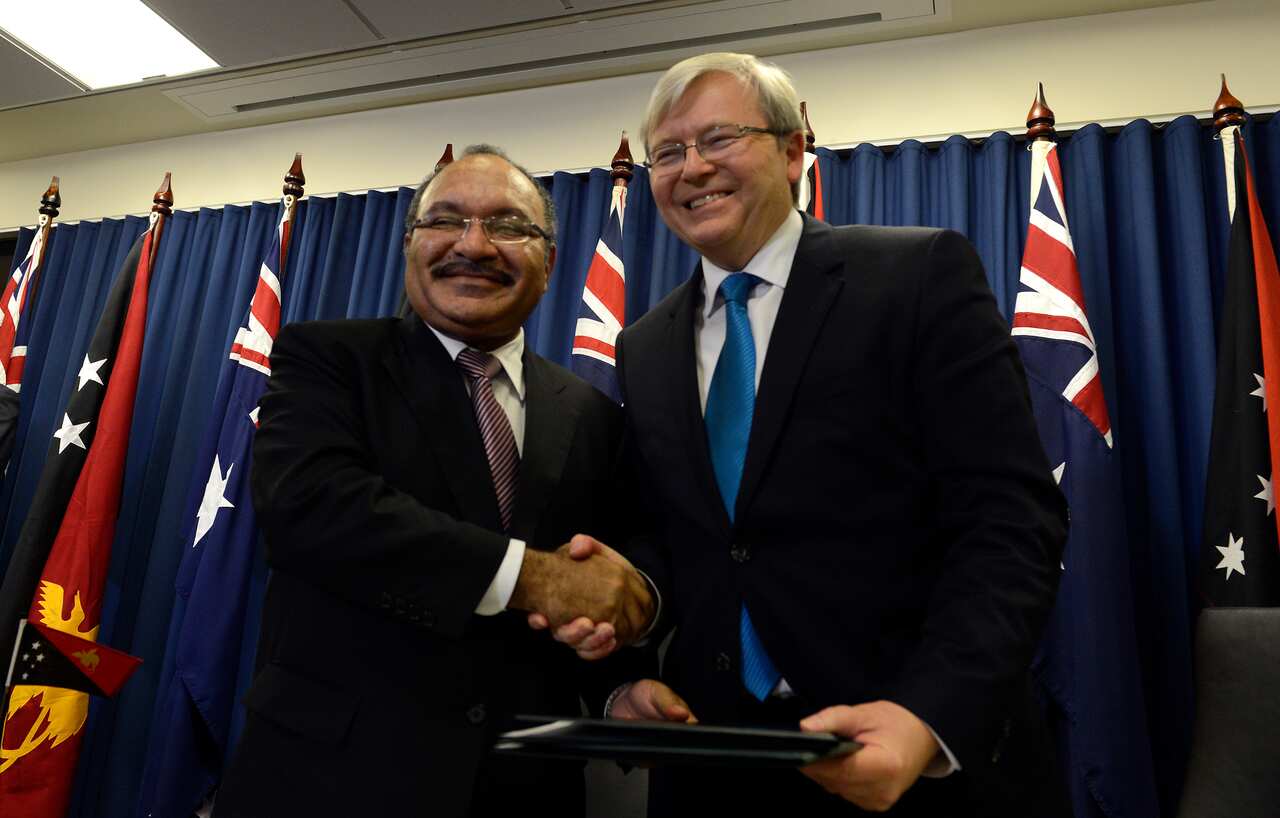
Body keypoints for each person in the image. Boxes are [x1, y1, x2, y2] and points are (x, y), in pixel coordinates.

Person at [553, 53, 1069, 816]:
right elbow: (665, 537)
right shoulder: (645, 344)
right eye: (668, 152)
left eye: (719, 138)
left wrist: (927, 715)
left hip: (906, 761)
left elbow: (1010, 522)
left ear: (794, 150)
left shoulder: (918, 275)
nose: (691, 168)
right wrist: (622, 672)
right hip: (713, 763)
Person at [215, 145, 654, 818]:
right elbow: (312, 510)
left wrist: (620, 687)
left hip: (522, 790)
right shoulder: (328, 359)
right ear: (411, 245)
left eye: (508, 225)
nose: (472, 245)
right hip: (331, 781)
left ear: (550, 262)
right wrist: (531, 577)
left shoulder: (593, 413)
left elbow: (603, 572)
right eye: (445, 221)